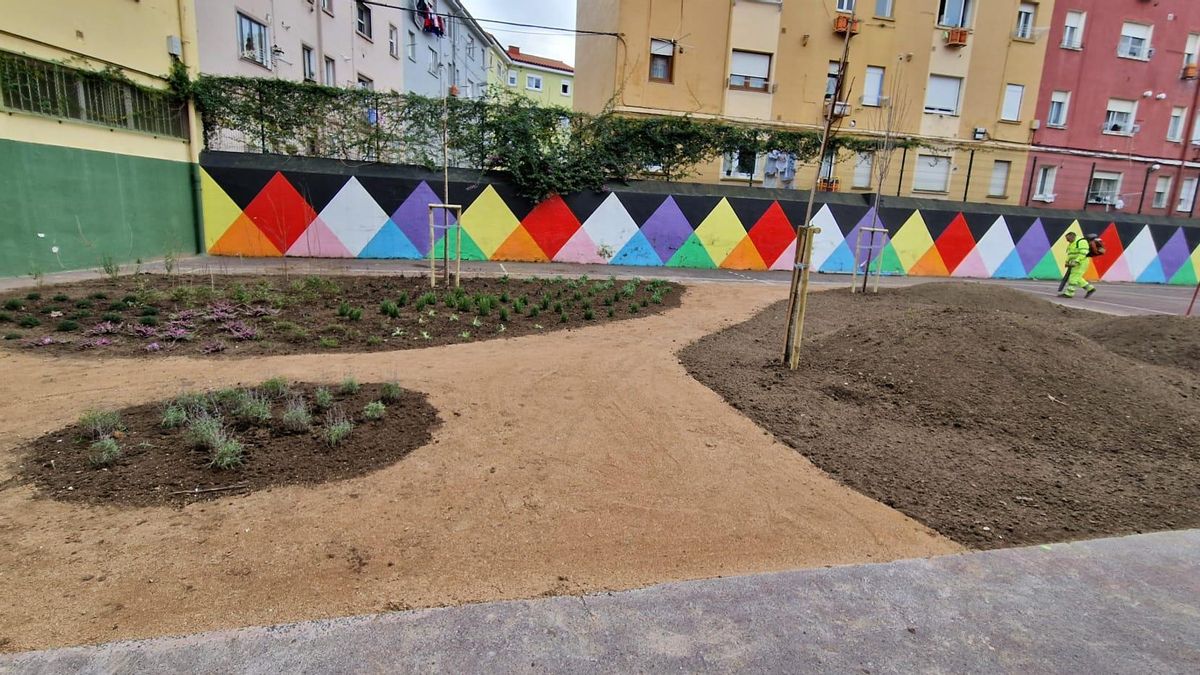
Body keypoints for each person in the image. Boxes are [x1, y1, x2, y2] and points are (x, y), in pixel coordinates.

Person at [1060, 232, 1096, 299]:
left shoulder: (1081, 241)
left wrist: (1076, 261)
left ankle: (1069, 293)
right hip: (1074, 263)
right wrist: (1067, 262)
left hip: (1081, 263)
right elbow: (1070, 254)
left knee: (1073, 277)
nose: (1067, 240)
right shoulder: (1071, 244)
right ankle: (1090, 289)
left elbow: (1084, 253)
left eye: (1068, 238)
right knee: (1077, 277)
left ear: (1072, 236)